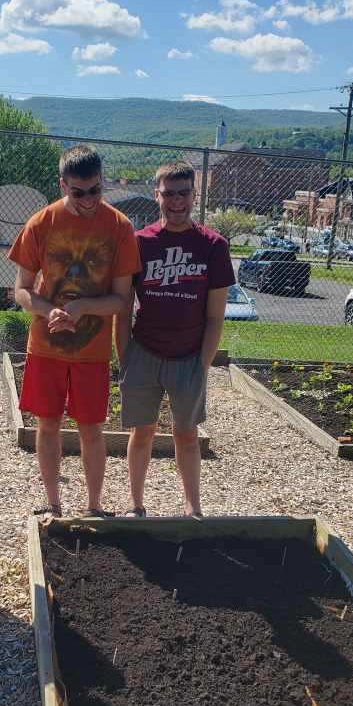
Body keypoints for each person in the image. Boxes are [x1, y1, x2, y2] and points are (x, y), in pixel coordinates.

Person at [11, 144, 139, 518]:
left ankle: (95, 506)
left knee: (91, 429)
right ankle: (53, 504)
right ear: (62, 184)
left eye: (95, 190)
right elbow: (21, 289)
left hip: (92, 351)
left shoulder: (119, 227)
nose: (87, 200)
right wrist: (49, 310)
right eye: (77, 192)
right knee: (47, 425)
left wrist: (82, 308)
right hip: (46, 347)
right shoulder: (41, 223)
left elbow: (120, 299)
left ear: (104, 183)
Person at [116, 160, 234, 518]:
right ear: (157, 195)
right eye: (169, 194)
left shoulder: (213, 246)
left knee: (187, 434)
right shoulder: (139, 242)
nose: (177, 201)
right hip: (144, 352)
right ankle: (136, 505)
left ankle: (192, 507)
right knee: (143, 431)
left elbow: (215, 317)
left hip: (189, 357)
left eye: (184, 193)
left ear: (194, 196)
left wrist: (202, 363)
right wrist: (126, 358)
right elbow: (122, 310)